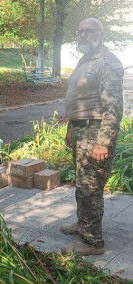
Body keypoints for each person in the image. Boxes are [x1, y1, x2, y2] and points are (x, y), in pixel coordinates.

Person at [61, 18, 124, 256]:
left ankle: (92, 242)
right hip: (80, 129)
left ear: (101, 34)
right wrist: (70, 128)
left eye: (89, 31)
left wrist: (103, 142)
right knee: (82, 184)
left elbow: (114, 107)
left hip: (94, 132)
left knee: (91, 187)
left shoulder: (107, 62)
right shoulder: (85, 59)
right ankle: (83, 224)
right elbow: (79, 98)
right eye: (80, 31)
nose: (83, 35)